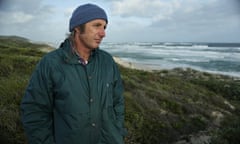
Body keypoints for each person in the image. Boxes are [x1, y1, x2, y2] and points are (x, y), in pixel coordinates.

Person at [21, 3, 127, 144]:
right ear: (77, 27)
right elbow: (34, 111)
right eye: (97, 25)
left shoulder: (107, 61)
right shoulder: (51, 63)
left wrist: (117, 132)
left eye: (104, 27)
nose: (103, 33)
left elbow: (117, 101)